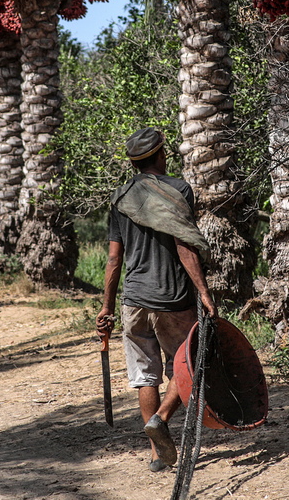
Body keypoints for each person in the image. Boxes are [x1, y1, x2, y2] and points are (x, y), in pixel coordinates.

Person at [96, 127, 216, 473]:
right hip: (173, 299)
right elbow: (184, 245)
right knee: (187, 363)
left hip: (134, 301)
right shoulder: (178, 190)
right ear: (162, 155)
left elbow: (113, 259)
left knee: (145, 376)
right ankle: (161, 418)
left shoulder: (120, 198)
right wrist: (204, 292)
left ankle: (156, 454)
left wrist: (106, 307)